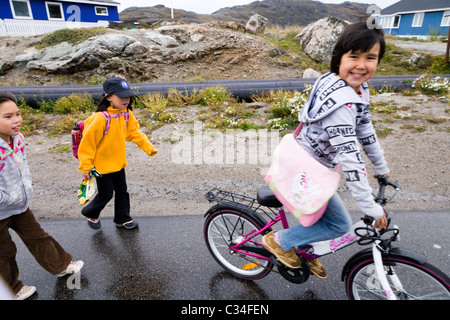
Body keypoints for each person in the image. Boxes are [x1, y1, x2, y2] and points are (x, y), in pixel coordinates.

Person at [262, 20, 390, 278]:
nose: (361, 65)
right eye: (354, 56)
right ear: (338, 58)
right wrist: (369, 206)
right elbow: (351, 159)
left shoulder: (352, 87)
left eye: (371, 58)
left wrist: (382, 170)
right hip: (308, 170)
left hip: (309, 162)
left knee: (319, 216)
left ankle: (305, 251)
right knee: (338, 224)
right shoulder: (342, 107)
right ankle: (280, 241)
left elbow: (366, 131)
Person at [0, 92, 83, 300]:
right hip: (1, 207)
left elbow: (24, 165)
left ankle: (61, 266)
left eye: (17, 114)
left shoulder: (18, 139)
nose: (17, 120)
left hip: (19, 204)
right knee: (4, 252)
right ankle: (12, 289)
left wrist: (26, 186)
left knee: (38, 237)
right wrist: (6, 197)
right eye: (7, 117)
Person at [78, 77, 157, 230]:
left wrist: (148, 147)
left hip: (118, 164)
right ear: (108, 97)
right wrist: (86, 167)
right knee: (106, 194)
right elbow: (87, 144)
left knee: (122, 191)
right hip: (101, 166)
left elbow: (134, 133)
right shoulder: (100, 118)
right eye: (121, 96)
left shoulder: (126, 114)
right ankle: (90, 212)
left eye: (127, 96)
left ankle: (122, 218)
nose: (126, 99)